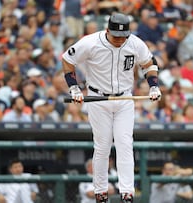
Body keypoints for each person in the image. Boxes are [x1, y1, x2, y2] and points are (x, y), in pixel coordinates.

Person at [62, 12, 161, 203]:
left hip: (125, 97)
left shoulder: (134, 43)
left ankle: (127, 193)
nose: (119, 40)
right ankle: (100, 192)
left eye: (123, 36)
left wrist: (154, 85)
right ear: (107, 30)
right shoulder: (90, 42)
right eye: (116, 36)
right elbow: (68, 60)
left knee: (125, 144)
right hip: (98, 98)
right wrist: (74, 88)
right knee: (103, 147)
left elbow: (149, 63)